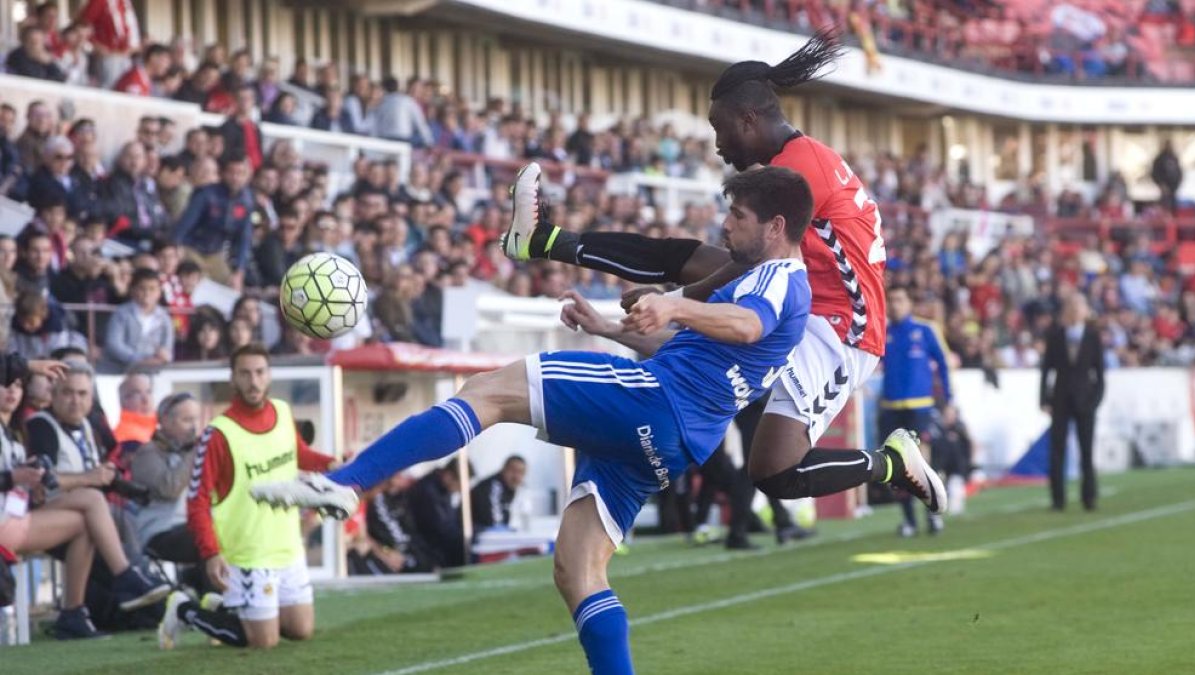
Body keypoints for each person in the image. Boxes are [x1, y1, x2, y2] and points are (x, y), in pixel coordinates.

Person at [251, 164, 934, 674]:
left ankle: (348, 481)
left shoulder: (776, 279)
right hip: (673, 438)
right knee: (578, 570)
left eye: (737, 216)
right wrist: (609, 325)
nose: (726, 226)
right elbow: (697, 340)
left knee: (489, 391)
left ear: (776, 225)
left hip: (654, 401)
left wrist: (675, 304)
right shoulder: (755, 277)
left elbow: (743, 324)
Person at [498, 31, 943, 517]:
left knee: (775, 471)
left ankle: (890, 464)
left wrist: (678, 298)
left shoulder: (799, 168)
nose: (716, 144)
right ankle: (544, 240)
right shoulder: (793, 162)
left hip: (840, 328)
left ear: (749, 119)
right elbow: (744, 262)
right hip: (803, 301)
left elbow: (749, 260)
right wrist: (673, 300)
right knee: (690, 260)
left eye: (719, 126)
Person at [161, 344, 335, 650]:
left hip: (287, 544)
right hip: (248, 552)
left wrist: (330, 464)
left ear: (269, 376)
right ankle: (183, 609)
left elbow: (297, 454)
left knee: (300, 629)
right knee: (263, 642)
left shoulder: (282, 412)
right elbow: (198, 500)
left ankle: (228, 609)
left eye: (259, 372)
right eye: (245, 373)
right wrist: (211, 552)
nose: (253, 381)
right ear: (233, 379)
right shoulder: (218, 433)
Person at [20, 361, 171, 634]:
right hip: (38, 515)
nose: (75, 401)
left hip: (82, 518)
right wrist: (90, 478)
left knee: (105, 515)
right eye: (67, 392)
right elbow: (42, 481)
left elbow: (94, 478)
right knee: (92, 502)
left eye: (82, 394)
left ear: (92, 399)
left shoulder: (88, 427)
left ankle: (75, 614)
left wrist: (110, 479)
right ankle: (127, 579)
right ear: (52, 395)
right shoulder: (41, 425)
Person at [880, 286, 951, 537]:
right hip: (891, 408)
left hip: (920, 407)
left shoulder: (925, 330)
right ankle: (909, 520)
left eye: (900, 299)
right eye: (891, 301)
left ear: (910, 303)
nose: (895, 305)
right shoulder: (883, 332)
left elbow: (944, 364)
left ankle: (933, 516)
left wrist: (949, 400)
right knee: (897, 467)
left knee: (921, 463)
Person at [1040, 292, 1105, 512]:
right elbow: (1046, 369)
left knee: (1086, 451)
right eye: (1072, 306)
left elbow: (1100, 373)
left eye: (1079, 306)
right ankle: (1057, 500)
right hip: (1060, 400)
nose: (1076, 311)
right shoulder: (1056, 335)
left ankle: (1089, 497)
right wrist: (1043, 399)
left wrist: (1095, 400)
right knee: (1057, 451)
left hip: (1085, 401)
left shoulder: (1093, 336)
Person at [130, 392, 204, 581]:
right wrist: (196, 453)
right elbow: (169, 488)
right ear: (165, 421)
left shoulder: (192, 452)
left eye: (197, 419)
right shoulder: (147, 453)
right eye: (187, 420)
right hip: (161, 530)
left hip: (193, 525)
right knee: (209, 539)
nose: (194, 427)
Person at [173, 155, 255, 290]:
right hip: (192, 248)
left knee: (231, 287)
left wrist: (239, 270)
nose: (236, 178)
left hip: (215, 253)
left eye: (240, 173)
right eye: (232, 172)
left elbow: (244, 238)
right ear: (222, 173)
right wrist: (176, 245)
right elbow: (185, 224)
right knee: (197, 283)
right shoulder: (206, 194)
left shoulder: (247, 200)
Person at [98, 269, 174, 374]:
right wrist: (140, 359)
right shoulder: (121, 313)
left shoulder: (164, 318)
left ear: (159, 292)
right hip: (118, 371)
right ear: (133, 290)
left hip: (152, 372)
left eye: (152, 289)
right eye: (142, 288)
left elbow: (167, 347)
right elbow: (114, 345)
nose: (147, 293)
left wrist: (162, 356)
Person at [471, 454, 526, 532]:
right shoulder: (493, 487)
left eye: (521, 472)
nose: (516, 476)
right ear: (504, 469)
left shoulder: (512, 488)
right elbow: (494, 523)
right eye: (513, 470)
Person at [112, 371, 156, 447]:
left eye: (149, 392)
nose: (145, 399)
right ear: (123, 400)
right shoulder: (128, 436)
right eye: (137, 394)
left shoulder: (159, 427)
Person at [1150, 140, 1183, 216]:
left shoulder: (1174, 157)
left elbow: (1179, 172)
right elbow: (1155, 173)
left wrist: (1178, 183)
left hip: (1173, 188)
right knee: (1164, 207)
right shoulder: (1159, 159)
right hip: (1163, 188)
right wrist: (1161, 184)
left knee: (1173, 207)